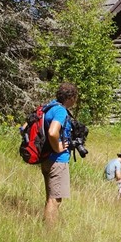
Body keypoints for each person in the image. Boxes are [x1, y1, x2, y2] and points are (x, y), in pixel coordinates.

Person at [41, 82, 79, 226]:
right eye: (75, 98)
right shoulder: (61, 111)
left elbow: (24, 127)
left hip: (45, 158)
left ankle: (49, 226)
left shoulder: (48, 107)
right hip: (57, 161)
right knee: (55, 199)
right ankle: (50, 233)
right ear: (70, 97)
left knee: (50, 197)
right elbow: (52, 132)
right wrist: (57, 147)